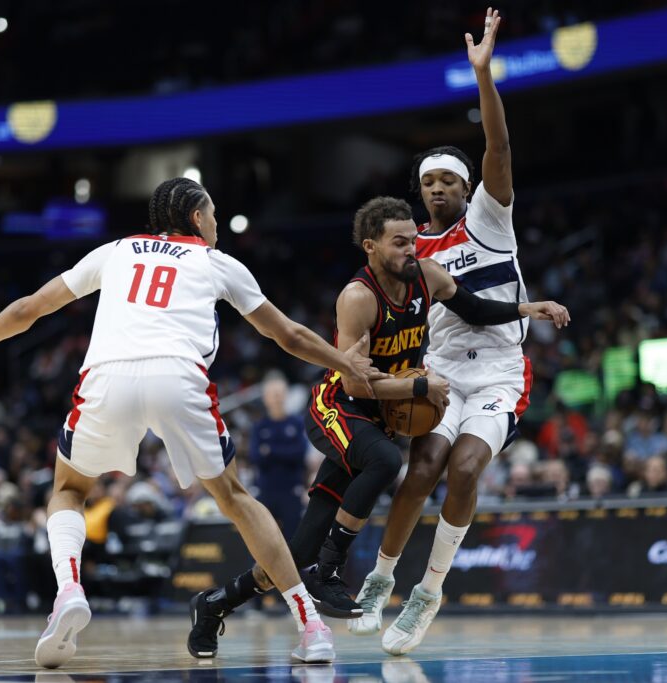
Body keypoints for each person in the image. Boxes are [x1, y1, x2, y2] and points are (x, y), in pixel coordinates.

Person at [0, 177, 385, 668]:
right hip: (178, 375)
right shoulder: (217, 263)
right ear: (198, 219)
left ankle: (69, 589)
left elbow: (30, 309)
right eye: (215, 213)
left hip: (107, 377)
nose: (218, 222)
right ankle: (310, 626)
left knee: (69, 489)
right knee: (236, 498)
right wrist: (345, 363)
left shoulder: (115, 251)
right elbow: (287, 334)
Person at [187, 196, 568, 658]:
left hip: (376, 416)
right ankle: (330, 571)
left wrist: (527, 309)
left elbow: (476, 309)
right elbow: (357, 383)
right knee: (387, 461)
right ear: (371, 246)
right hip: (339, 407)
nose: (413, 249)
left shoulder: (428, 276)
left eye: (414, 239)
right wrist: (419, 388)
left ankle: (214, 603)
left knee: (296, 551)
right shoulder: (358, 298)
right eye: (400, 242)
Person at [350, 9, 571, 655]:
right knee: (422, 470)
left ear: (468, 187)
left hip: (501, 366)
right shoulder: (410, 245)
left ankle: (430, 590)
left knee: (468, 466)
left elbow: (499, 147)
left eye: (447, 178)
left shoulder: (489, 219)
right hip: (441, 367)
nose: (437, 187)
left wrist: (484, 77)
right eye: (428, 182)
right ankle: (381, 578)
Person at [250, 372, 309, 539]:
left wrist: (270, 451)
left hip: (291, 491)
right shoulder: (259, 426)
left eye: (280, 393)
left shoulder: (296, 423)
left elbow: (299, 453)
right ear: (265, 397)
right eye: (272, 394)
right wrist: (284, 452)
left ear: (286, 395)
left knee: (293, 541)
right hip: (266, 491)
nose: (276, 398)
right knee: (264, 540)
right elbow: (255, 457)